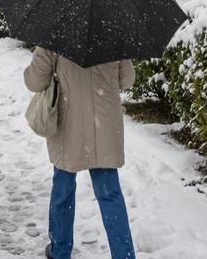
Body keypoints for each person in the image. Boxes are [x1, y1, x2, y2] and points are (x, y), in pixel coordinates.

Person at [24, 47, 136, 259]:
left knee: (63, 191)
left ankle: (60, 250)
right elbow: (126, 79)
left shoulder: (55, 35)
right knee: (110, 195)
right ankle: (124, 255)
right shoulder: (111, 31)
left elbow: (35, 82)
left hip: (70, 127)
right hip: (105, 126)